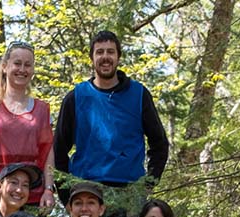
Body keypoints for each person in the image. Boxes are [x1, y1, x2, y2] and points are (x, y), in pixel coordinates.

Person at [54, 30, 168, 190]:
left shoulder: (139, 94)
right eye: (99, 52)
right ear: (92, 58)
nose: (105, 57)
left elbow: (160, 143)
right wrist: (66, 194)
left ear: (118, 57)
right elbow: (58, 150)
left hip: (129, 190)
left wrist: (147, 185)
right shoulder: (76, 98)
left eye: (110, 52)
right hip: (86, 190)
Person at [0, 42, 56, 212]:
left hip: (31, 196)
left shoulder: (43, 110)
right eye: (17, 63)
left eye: (27, 65)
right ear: (4, 66)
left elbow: (48, 155)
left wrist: (48, 189)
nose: (22, 69)